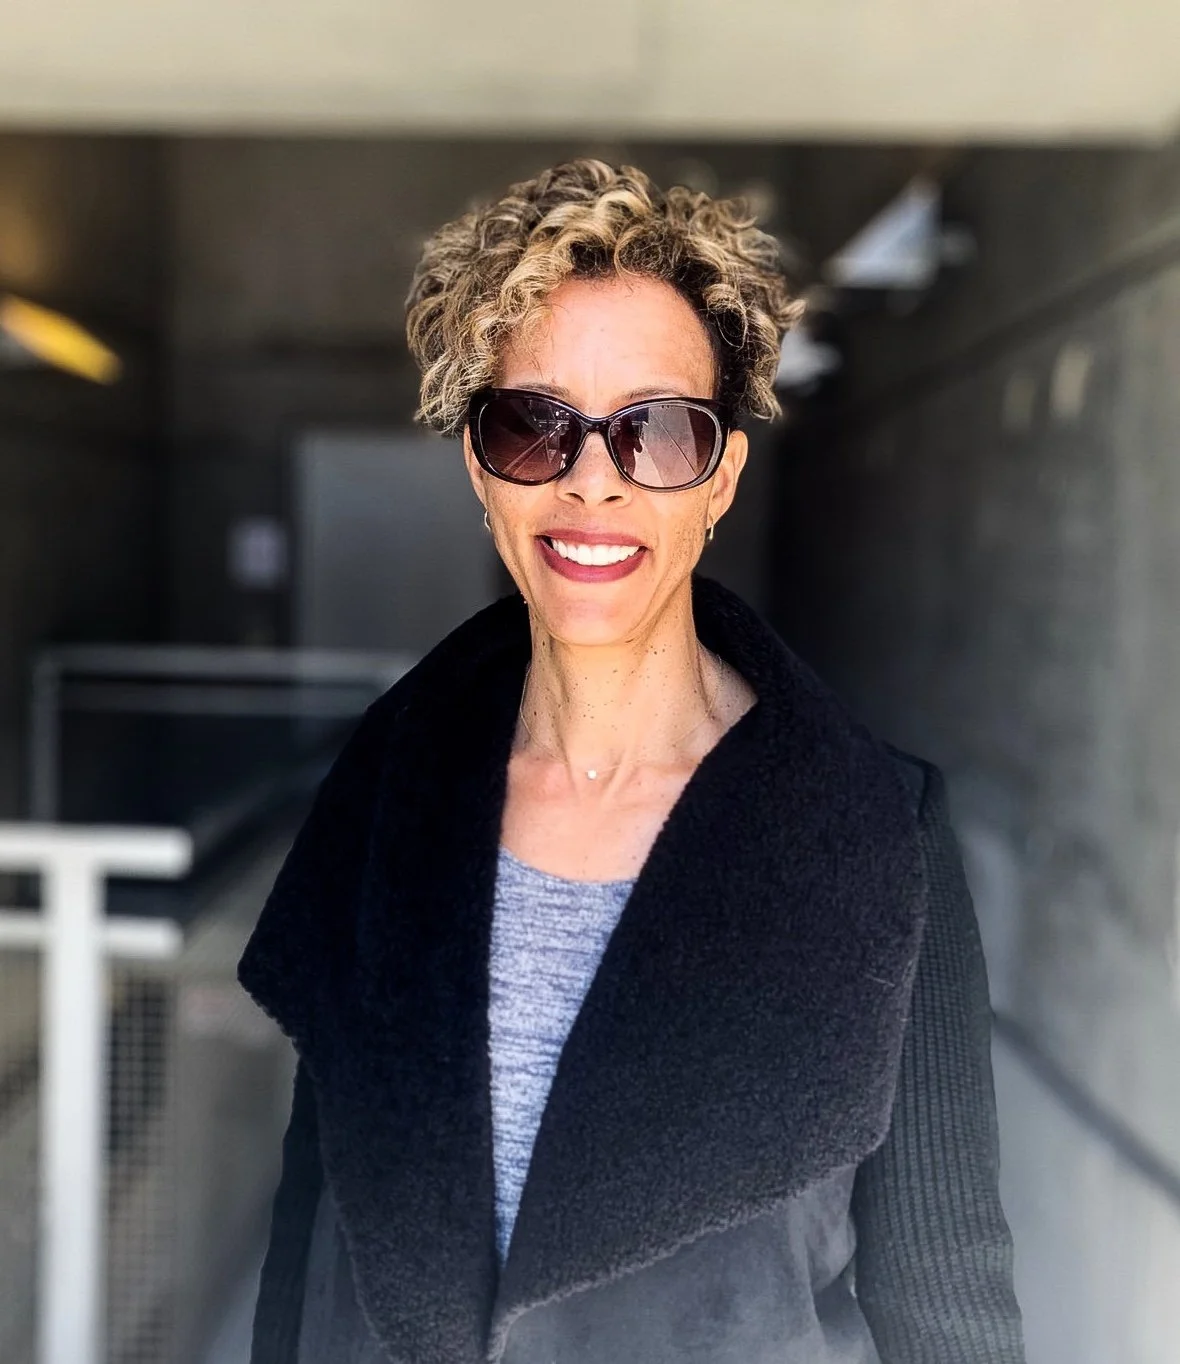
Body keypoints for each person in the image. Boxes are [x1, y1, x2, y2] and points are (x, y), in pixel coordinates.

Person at [238, 159, 1025, 1364]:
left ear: (718, 479)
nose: (591, 477)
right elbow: (311, 1232)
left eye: (655, 429)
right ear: (478, 468)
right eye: (532, 423)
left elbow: (945, 1300)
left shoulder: (876, 836)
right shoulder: (385, 795)